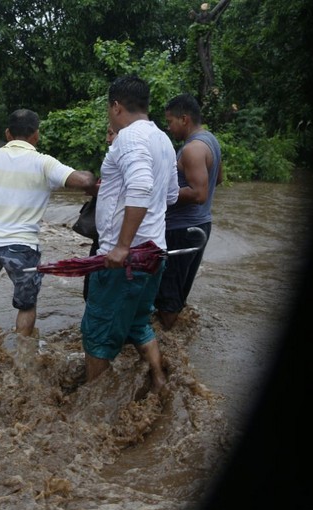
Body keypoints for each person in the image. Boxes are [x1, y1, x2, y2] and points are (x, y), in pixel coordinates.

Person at [0, 108, 96, 349]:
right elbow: (85, 181)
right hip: (23, 247)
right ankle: (22, 358)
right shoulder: (44, 163)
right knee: (26, 306)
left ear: (8, 134)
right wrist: (90, 176)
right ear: (36, 135)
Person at [81, 75, 179, 393]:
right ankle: (159, 381)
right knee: (138, 323)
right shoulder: (163, 140)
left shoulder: (128, 138)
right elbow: (171, 196)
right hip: (154, 254)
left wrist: (122, 246)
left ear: (116, 106)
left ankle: (94, 408)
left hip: (126, 259)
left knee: (97, 333)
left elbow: (140, 185)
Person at [154, 93, 223, 330]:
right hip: (200, 225)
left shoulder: (192, 149)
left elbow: (198, 193)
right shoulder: (211, 141)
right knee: (179, 288)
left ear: (184, 119)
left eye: (170, 121)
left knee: (168, 291)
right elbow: (218, 179)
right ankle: (175, 335)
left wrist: (160, 194)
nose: (168, 127)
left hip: (181, 229)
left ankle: (166, 339)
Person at [82, 124, 118, 301]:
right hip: (104, 236)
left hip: (112, 240)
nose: (107, 139)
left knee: (94, 292)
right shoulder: (112, 159)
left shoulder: (126, 160)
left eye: (111, 134)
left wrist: (93, 188)